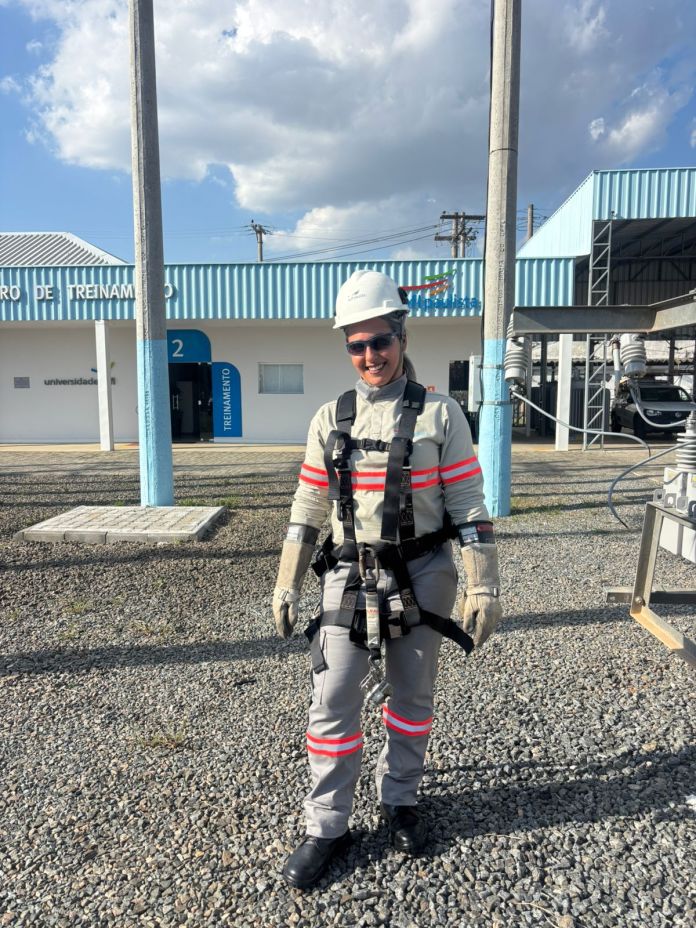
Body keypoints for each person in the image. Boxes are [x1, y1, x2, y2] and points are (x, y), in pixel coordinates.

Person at [272, 269, 502, 890]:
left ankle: (401, 799)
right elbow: (307, 506)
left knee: (411, 696)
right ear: (346, 347)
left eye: (380, 340)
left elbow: (470, 506)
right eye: (357, 344)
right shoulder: (330, 417)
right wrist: (287, 581)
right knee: (334, 697)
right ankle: (327, 825)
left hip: (424, 570)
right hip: (348, 571)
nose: (370, 355)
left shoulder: (441, 413)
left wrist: (485, 587)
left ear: (401, 335)